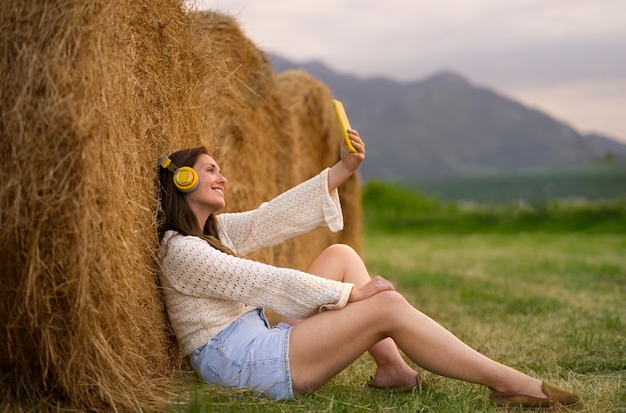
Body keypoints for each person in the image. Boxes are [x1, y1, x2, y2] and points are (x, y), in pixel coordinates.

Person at [156, 129, 581, 409]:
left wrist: (343, 169)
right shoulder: (182, 251)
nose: (223, 177)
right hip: (240, 364)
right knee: (386, 307)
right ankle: (510, 384)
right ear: (184, 181)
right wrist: (349, 297)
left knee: (341, 254)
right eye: (211, 170)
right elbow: (265, 281)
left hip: (254, 343)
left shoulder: (216, 232)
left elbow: (273, 216)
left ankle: (393, 369)